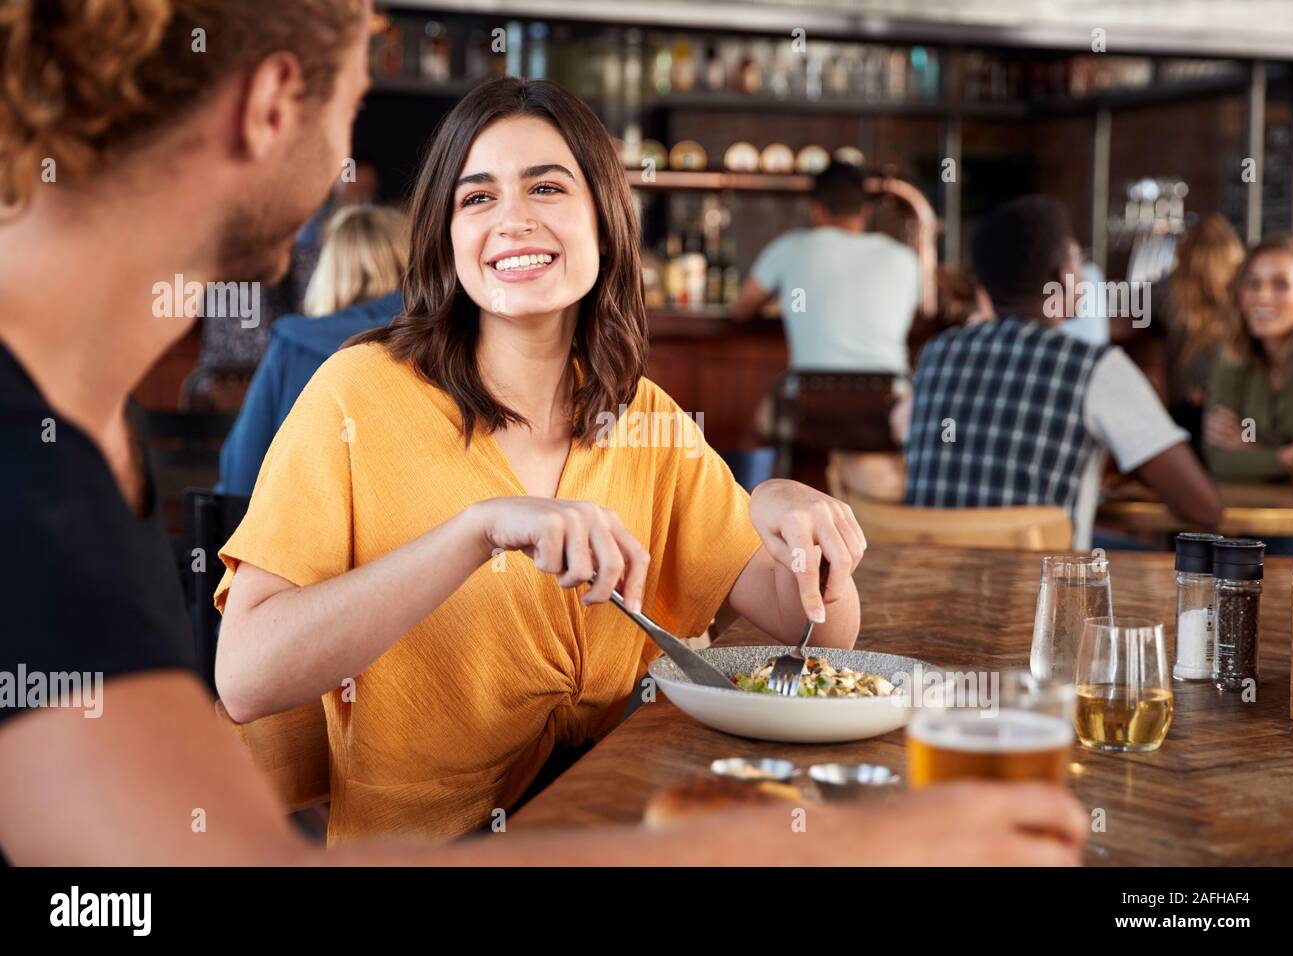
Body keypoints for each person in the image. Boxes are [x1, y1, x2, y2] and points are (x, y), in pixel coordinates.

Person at [0, 1, 1084, 866]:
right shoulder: (328, 398)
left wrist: (794, 520)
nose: (509, 218)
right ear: (276, 103)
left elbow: (816, 635)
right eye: (473, 196)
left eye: (547, 188)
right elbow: (225, 742)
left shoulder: (643, 415)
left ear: (606, 222)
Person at [902, 196, 1222, 549]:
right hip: (1041, 594)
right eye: (1077, 259)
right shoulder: (1095, 367)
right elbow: (1202, 507)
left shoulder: (937, 353)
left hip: (931, 577)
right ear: (1063, 276)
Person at [217, 204, 407, 496]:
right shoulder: (443, 343)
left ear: (328, 272)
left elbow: (240, 478)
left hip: (304, 534)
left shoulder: (293, 344)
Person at [731, 161, 921, 375]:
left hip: (811, 394)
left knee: (766, 408)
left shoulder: (789, 249)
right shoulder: (903, 258)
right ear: (866, 211)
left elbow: (740, 310)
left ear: (816, 209)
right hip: (891, 394)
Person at [1119, 214, 1244, 456]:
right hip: (1237, 414)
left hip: (1182, 415)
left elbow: (1117, 315)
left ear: (1184, 252)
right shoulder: (1247, 295)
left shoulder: (1165, 292)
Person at [1203, 235, 1293, 486]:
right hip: (1250, 516)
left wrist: (1251, 445)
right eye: (1253, 284)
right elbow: (1219, 458)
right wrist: (1284, 458)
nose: (1262, 297)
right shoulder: (1234, 356)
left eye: (1280, 284)